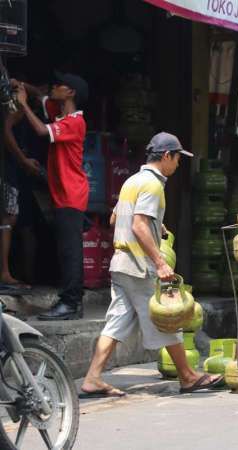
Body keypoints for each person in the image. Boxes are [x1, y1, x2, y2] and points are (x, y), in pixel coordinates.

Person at [80, 132, 222, 397]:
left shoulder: (132, 181)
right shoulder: (153, 185)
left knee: (117, 322)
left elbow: (116, 219)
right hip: (139, 264)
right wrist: (160, 262)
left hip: (121, 263)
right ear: (166, 156)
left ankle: (92, 378)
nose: (178, 164)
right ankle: (189, 376)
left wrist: (157, 223)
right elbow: (138, 224)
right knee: (168, 317)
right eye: (177, 158)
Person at [16, 73, 89, 320]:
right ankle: (69, 300)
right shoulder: (60, 113)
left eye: (59, 85)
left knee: (70, 251)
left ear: (71, 93)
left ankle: (71, 303)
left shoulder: (74, 123)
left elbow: (39, 130)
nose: (54, 87)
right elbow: (40, 93)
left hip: (71, 194)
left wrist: (23, 103)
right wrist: (18, 84)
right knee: (65, 249)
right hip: (63, 194)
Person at [0, 109, 41, 289]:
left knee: (19, 222)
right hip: (8, 170)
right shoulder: (13, 110)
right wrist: (23, 160)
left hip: (14, 171)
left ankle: (26, 274)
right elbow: (6, 130)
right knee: (8, 219)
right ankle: (5, 273)